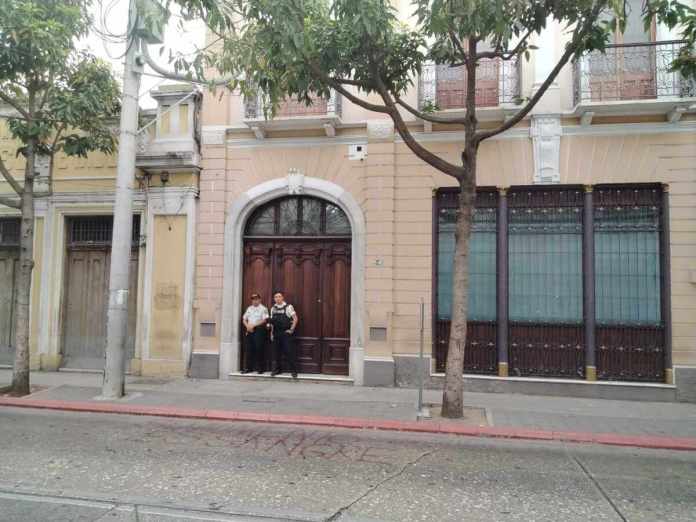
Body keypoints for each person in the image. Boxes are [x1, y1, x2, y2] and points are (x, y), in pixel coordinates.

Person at [268, 290, 299, 378]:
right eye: (276, 297)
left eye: (279, 296)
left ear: (282, 297)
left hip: (285, 333)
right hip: (276, 333)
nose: (277, 298)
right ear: (274, 299)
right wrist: (271, 333)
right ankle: (277, 370)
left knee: (289, 352)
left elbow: (295, 318)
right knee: (276, 353)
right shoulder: (273, 308)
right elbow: (272, 322)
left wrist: (291, 329)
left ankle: (294, 371)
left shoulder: (288, 307)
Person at [241, 293, 269, 374]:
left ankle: (260, 368)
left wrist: (253, 325)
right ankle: (248, 368)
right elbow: (244, 319)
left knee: (259, 349)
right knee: (248, 349)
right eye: (253, 299)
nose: (254, 301)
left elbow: (264, 320)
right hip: (249, 330)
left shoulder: (263, 309)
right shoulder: (249, 308)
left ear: (260, 300)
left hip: (259, 330)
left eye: (256, 299)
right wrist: (247, 326)